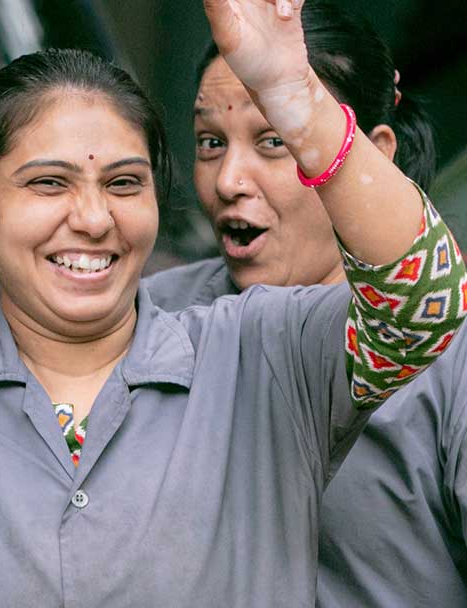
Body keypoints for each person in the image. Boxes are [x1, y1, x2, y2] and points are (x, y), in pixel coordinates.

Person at [0, 0, 466, 605]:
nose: (91, 217)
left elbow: (427, 306)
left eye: (123, 182)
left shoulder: (261, 345)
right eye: (49, 182)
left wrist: (295, 99)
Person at [143, 2, 467, 605]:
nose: (228, 179)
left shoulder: (447, 346)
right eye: (210, 142)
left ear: (376, 153)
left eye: (274, 140)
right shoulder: (155, 318)